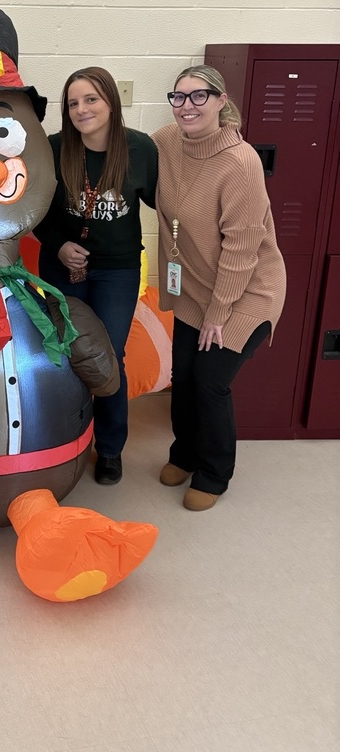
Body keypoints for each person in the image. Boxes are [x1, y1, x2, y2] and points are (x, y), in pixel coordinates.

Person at [153, 65, 286, 511]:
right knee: (183, 375)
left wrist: (219, 313)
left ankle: (214, 474)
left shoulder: (240, 161)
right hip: (195, 286)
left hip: (247, 290)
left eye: (199, 96)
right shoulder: (166, 143)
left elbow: (242, 248)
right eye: (179, 97)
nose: (187, 106)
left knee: (210, 380)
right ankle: (184, 454)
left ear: (221, 101)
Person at [34, 67, 158, 485]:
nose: (82, 109)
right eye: (73, 103)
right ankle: (61, 439)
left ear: (111, 102)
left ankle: (109, 449)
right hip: (61, 265)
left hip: (117, 270)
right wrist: (58, 246)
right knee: (62, 354)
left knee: (109, 356)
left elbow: (169, 204)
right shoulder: (54, 149)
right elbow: (36, 213)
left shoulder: (140, 149)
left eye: (91, 99)